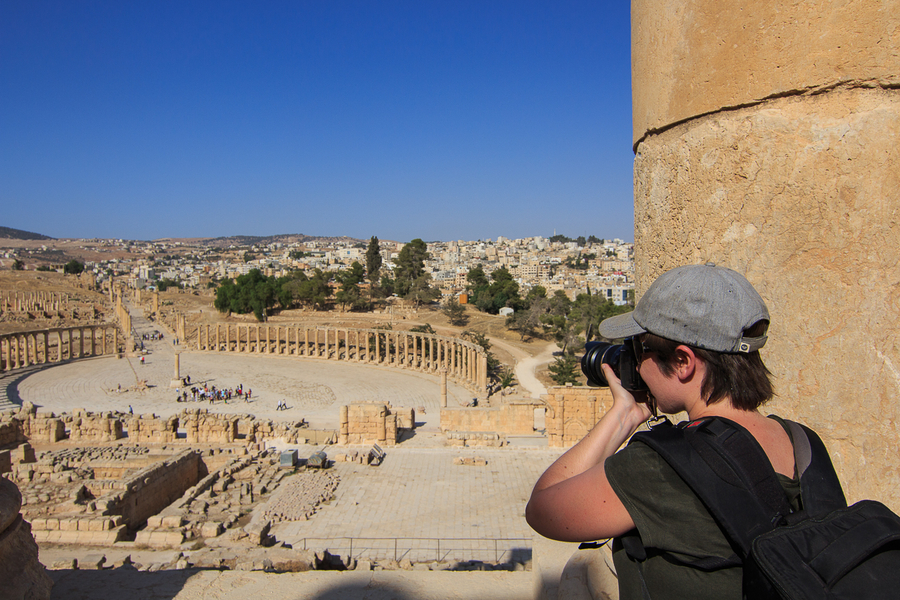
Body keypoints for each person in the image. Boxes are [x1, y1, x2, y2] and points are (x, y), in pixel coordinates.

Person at [526, 264, 800, 599]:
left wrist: (624, 414)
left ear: (683, 362)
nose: (635, 364)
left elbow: (542, 509)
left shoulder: (662, 468)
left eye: (639, 350)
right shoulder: (803, 444)